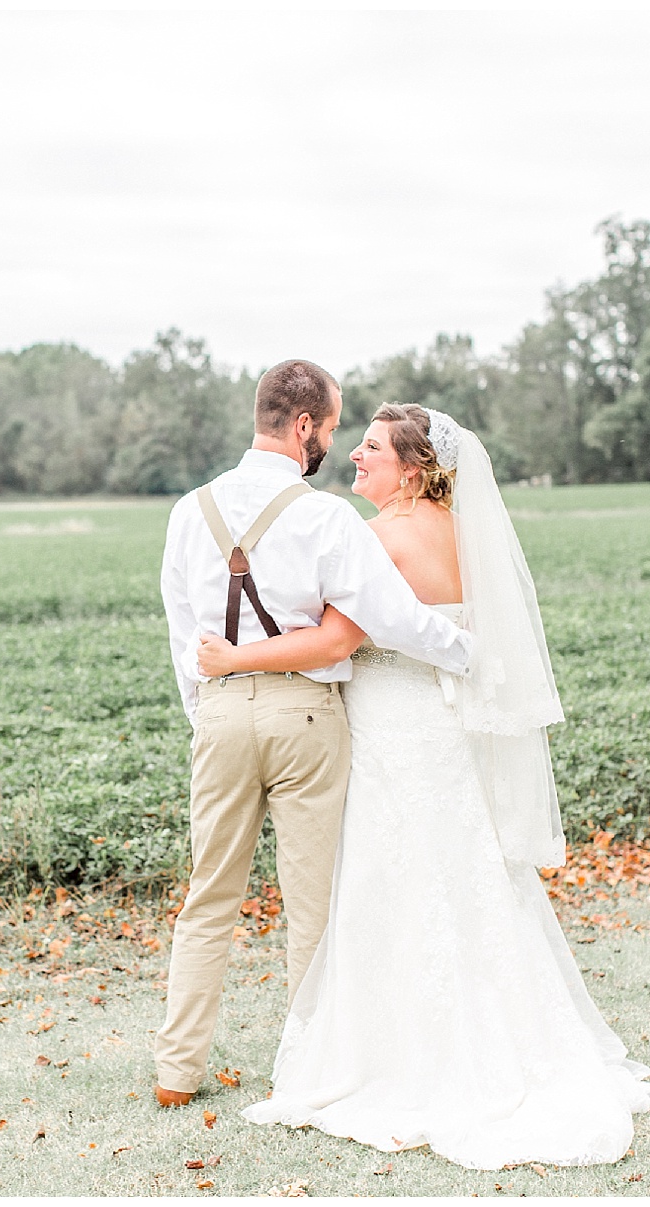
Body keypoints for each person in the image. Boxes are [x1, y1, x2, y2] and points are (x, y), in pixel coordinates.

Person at [198, 403, 650, 1169]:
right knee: (469, 874)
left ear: (412, 470)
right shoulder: (463, 536)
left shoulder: (378, 537)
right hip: (445, 736)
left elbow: (337, 638)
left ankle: (404, 1055)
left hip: (390, 730)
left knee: (393, 877)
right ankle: (510, 1038)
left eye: (371, 449)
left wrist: (234, 658)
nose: (354, 457)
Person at [155, 362, 474, 1109]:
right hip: (306, 717)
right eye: (332, 427)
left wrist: (210, 713)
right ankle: (308, 1070)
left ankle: (176, 1072)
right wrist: (469, 652)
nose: (334, 441)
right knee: (312, 903)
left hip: (223, 709)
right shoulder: (326, 517)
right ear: (304, 426)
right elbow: (391, 617)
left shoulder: (185, 511)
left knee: (208, 897)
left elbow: (182, 635)